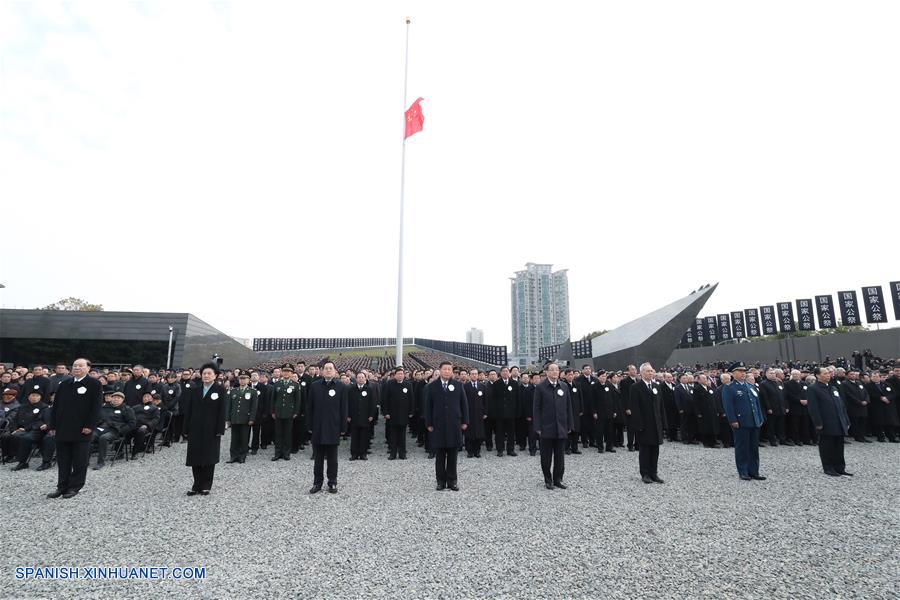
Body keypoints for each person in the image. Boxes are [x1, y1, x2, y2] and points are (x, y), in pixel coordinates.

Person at [46, 358, 103, 499]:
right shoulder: (65, 384)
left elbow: (95, 408)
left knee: (79, 460)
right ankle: (62, 486)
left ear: (88, 368)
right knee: (63, 459)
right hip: (63, 427)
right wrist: (52, 425)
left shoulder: (94, 384)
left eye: (80, 365)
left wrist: (90, 425)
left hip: (82, 429)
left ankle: (75, 486)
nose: (77, 368)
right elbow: (56, 407)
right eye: (75, 365)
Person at [182, 363, 227, 495]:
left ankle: (206, 484)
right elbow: (188, 410)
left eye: (209, 373)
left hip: (211, 429)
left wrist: (220, 429)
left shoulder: (220, 390)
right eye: (204, 373)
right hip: (195, 427)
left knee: (209, 456)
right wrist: (186, 428)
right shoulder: (195, 390)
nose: (206, 375)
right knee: (194, 456)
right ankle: (196, 484)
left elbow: (222, 411)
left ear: (215, 375)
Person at [425, 361, 469, 491]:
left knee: (452, 455)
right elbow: (428, 406)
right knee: (439, 456)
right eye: (445, 369)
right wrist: (429, 423)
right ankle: (440, 481)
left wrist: (465, 421)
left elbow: (464, 404)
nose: (447, 371)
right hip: (438, 425)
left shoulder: (458, 385)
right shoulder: (432, 387)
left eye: (449, 369)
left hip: (454, 424)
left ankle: (452, 481)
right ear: (440, 370)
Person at [307, 361, 348, 494]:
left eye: (331, 368)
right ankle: (317, 483)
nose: (328, 370)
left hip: (333, 427)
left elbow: (344, 409)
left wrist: (343, 427)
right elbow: (310, 407)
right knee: (318, 458)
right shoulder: (315, 386)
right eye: (326, 368)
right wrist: (309, 425)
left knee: (332, 459)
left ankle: (332, 483)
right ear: (322, 371)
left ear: (335, 371)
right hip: (318, 427)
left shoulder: (341, 387)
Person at [721, 363, 766, 481]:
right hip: (741, 422)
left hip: (754, 421)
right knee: (742, 447)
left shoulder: (750, 386)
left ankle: (754, 471)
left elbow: (757, 404)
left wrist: (760, 418)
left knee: (753, 448)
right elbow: (728, 406)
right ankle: (743, 471)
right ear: (733, 373)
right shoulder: (729, 387)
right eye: (740, 371)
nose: (743, 373)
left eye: (744, 371)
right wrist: (733, 420)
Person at [533, 363, 574, 490]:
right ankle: (548, 479)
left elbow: (569, 407)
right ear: (547, 372)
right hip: (546, 427)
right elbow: (536, 408)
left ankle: (558, 479)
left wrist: (569, 424)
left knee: (560, 455)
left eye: (557, 369)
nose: (555, 372)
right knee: (546, 456)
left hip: (561, 426)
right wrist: (538, 427)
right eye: (552, 370)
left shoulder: (564, 386)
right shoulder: (541, 387)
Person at [807, 367, 852, 477]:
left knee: (839, 446)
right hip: (826, 422)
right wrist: (818, 423)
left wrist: (846, 420)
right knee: (827, 446)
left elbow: (841, 405)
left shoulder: (833, 388)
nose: (828, 375)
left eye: (829, 373)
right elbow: (813, 408)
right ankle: (828, 467)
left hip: (839, 421)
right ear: (818, 375)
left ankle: (840, 467)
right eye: (825, 373)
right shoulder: (813, 389)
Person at [627, 362, 665, 484]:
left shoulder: (656, 386)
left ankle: (654, 473)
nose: (651, 373)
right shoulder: (636, 387)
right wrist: (638, 425)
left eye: (652, 371)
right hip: (644, 424)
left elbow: (661, 406)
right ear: (642, 373)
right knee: (645, 451)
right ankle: (645, 474)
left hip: (656, 424)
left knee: (655, 450)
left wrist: (663, 422)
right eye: (648, 371)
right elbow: (635, 408)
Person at [3, 390, 53, 471]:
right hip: (35, 429)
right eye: (32, 395)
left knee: (47, 439)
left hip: (39, 430)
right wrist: (15, 429)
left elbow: (40, 419)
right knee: (25, 438)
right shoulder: (23, 406)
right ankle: (22, 462)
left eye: (37, 396)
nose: (34, 397)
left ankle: (46, 462)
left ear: (40, 397)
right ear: (28, 397)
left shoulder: (44, 407)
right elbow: (15, 419)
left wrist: (27, 428)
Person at [226, 373, 258, 464]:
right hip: (235, 417)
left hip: (245, 418)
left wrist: (252, 418)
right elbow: (229, 406)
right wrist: (228, 418)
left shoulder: (252, 391)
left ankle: (242, 456)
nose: (242, 380)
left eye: (244, 379)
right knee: (234, 438)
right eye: (241, 379)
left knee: (244, 438)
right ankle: (233, 456)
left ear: (248, 380)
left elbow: (254, 407)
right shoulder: (233, 391)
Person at [382, 367, 413, 460]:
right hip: (392, 415)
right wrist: (385, 412)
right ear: (395, 375)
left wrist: (411, 412)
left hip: (403, 414)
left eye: (401, 374)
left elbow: (411, 399)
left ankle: (402, 453)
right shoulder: (389, 384)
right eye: (398, 374)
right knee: (393, 435)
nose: (400, 375)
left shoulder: (408, 384)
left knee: (402, 436)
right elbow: (384, 399)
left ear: (404, 375)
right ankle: (393, 453)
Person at [347, 371, 377, 460]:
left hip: (365, 417)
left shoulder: (369, 389)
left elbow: (373, 403)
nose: (360, 379)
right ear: (356, 379)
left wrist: (371, 415)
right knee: (354, 437)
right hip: (354, 417)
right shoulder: (351, 389)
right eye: (359, 377)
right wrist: (348, 415)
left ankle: (363, 453)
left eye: (362, 377)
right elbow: (347, 403)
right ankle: (354, 454)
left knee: (364, 436)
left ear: (365, 379)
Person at [463, 368, 487, 458]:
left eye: (476, 374)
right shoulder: (465, 386)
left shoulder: (482, 386)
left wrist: (485, 413)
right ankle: (470, 451)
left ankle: (477, 451)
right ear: (469, 375)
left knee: (479, 433)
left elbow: (485, 401)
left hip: (479, 414)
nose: (474, 375)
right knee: (469, 433)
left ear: (478, 375)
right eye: (472, 374)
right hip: (468, 413)